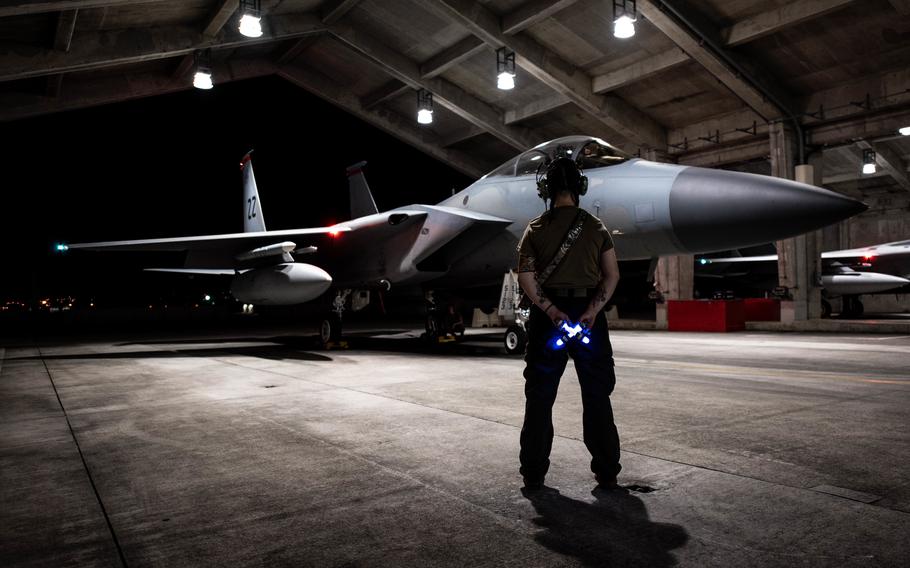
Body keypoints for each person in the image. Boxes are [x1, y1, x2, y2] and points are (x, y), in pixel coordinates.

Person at [516, 156, 622, 490]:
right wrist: (591, 311)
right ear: (581, 188)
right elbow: (612, 274)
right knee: (596, 396)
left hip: (550, 319)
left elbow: (527, 279)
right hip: (589, 315)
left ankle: (534, 472)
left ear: (545, 189)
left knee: (540, 397)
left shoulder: (535, 229)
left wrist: (550, 311)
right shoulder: (595, 227)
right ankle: (606, 471)